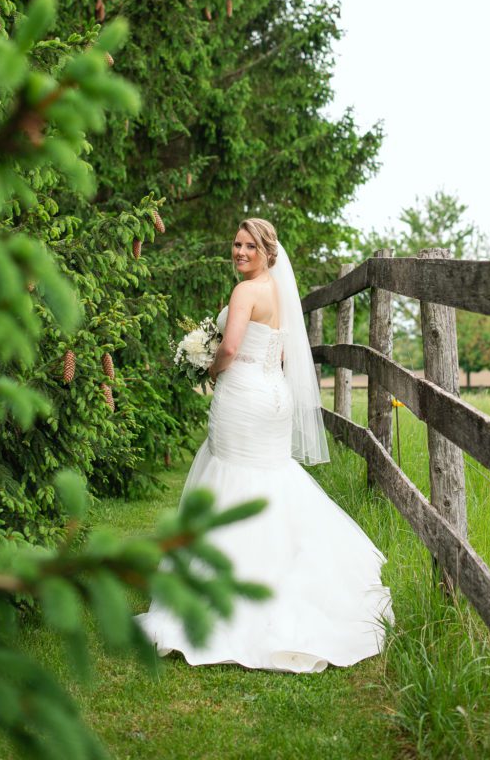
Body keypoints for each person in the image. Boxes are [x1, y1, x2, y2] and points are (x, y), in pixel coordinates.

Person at [135, 218, 393, 673]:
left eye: (249, 246)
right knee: (271, 478)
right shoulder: (279, 291)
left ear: (267, 251)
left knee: (231, 476)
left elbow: (230, 349)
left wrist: (208, 367)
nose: (239, 252)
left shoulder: (244, 292)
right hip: (274, 395)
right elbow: (283, 352)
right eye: (236, 244)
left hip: (243, 396)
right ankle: (279, 577)